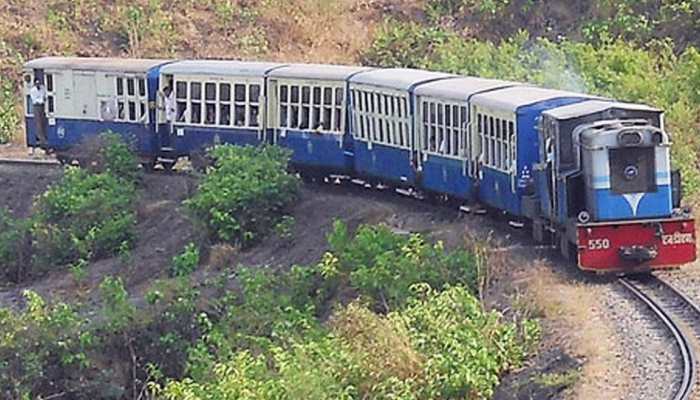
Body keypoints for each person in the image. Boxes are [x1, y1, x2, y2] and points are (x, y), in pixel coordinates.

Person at [29, 78, 47, 149]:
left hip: (42, 106)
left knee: (43, 121)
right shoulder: (33, 90)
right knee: (38, 122)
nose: (38, 84)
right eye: (37, 83)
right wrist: (41, 99)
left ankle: (44, 137)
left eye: (39, 83)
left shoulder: (42, 88)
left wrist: (43, 99)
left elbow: (44, 95)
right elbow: (35, 99)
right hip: (36, 106)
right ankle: (40, 138)